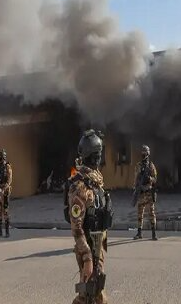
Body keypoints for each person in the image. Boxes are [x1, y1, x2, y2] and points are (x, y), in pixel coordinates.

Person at [66, 129, 113, 304]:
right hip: (87, 248)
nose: (100, 159)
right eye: (99, 155)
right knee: (89, 293)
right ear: (94, 157)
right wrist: (86, 259)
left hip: (98, 244)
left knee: (94, 292)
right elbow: (76, 228)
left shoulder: (95, 180)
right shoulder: (80, 186)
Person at [132, 145, 158, 241]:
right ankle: (139, 233)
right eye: (142, 152)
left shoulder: (151, 165)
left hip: (148, 193)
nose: (143, 154)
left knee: (151, 213)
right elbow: (135, 178)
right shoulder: (138, 165)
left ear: (148, 153)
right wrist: (135, 188)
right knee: (140, 214)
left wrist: (149, 178)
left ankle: (154, 234)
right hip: (141, 192)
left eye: (145, 152)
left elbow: (155, 179)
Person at [0, 149, 13, 238]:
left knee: (5, 210)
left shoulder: (7, 167)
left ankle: (7, 231)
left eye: (2, 157)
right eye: (0, 157)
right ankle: (0, 231)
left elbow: (9, 180)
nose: (1, 159)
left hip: (5, 191)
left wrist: (3, 189)